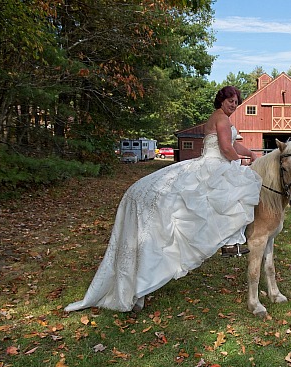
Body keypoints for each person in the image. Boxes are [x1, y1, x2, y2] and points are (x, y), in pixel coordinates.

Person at [65, 86, 262, 312]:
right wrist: (241, 161)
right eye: (230, 100)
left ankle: (231, 242)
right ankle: (230, 243)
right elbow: (227, 149)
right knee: (240, 191)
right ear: (221, 101)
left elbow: (233, 143)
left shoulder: (221, 120)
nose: (233, 105)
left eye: (236, 101)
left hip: (212, 163)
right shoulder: (222, 119)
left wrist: (250, 153)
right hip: (214, 165)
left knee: (232, 196)